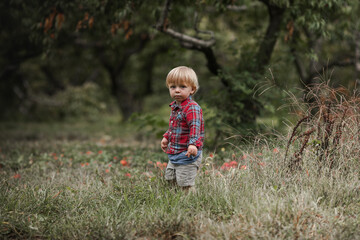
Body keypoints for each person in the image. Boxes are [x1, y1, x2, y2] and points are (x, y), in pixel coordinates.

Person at [161, 66, 205, 192]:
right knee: (171, 178)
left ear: (192, 90)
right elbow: (174, 127)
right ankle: (177, 200)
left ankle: (190, 202)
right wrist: (166, 137)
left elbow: (194, 128)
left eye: (182, 87)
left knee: (185, 183)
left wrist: (193, 144)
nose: (177, 90)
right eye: (173, 87)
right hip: (175, 152)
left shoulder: (192, 108)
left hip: (188, 153)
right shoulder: (175, 107)